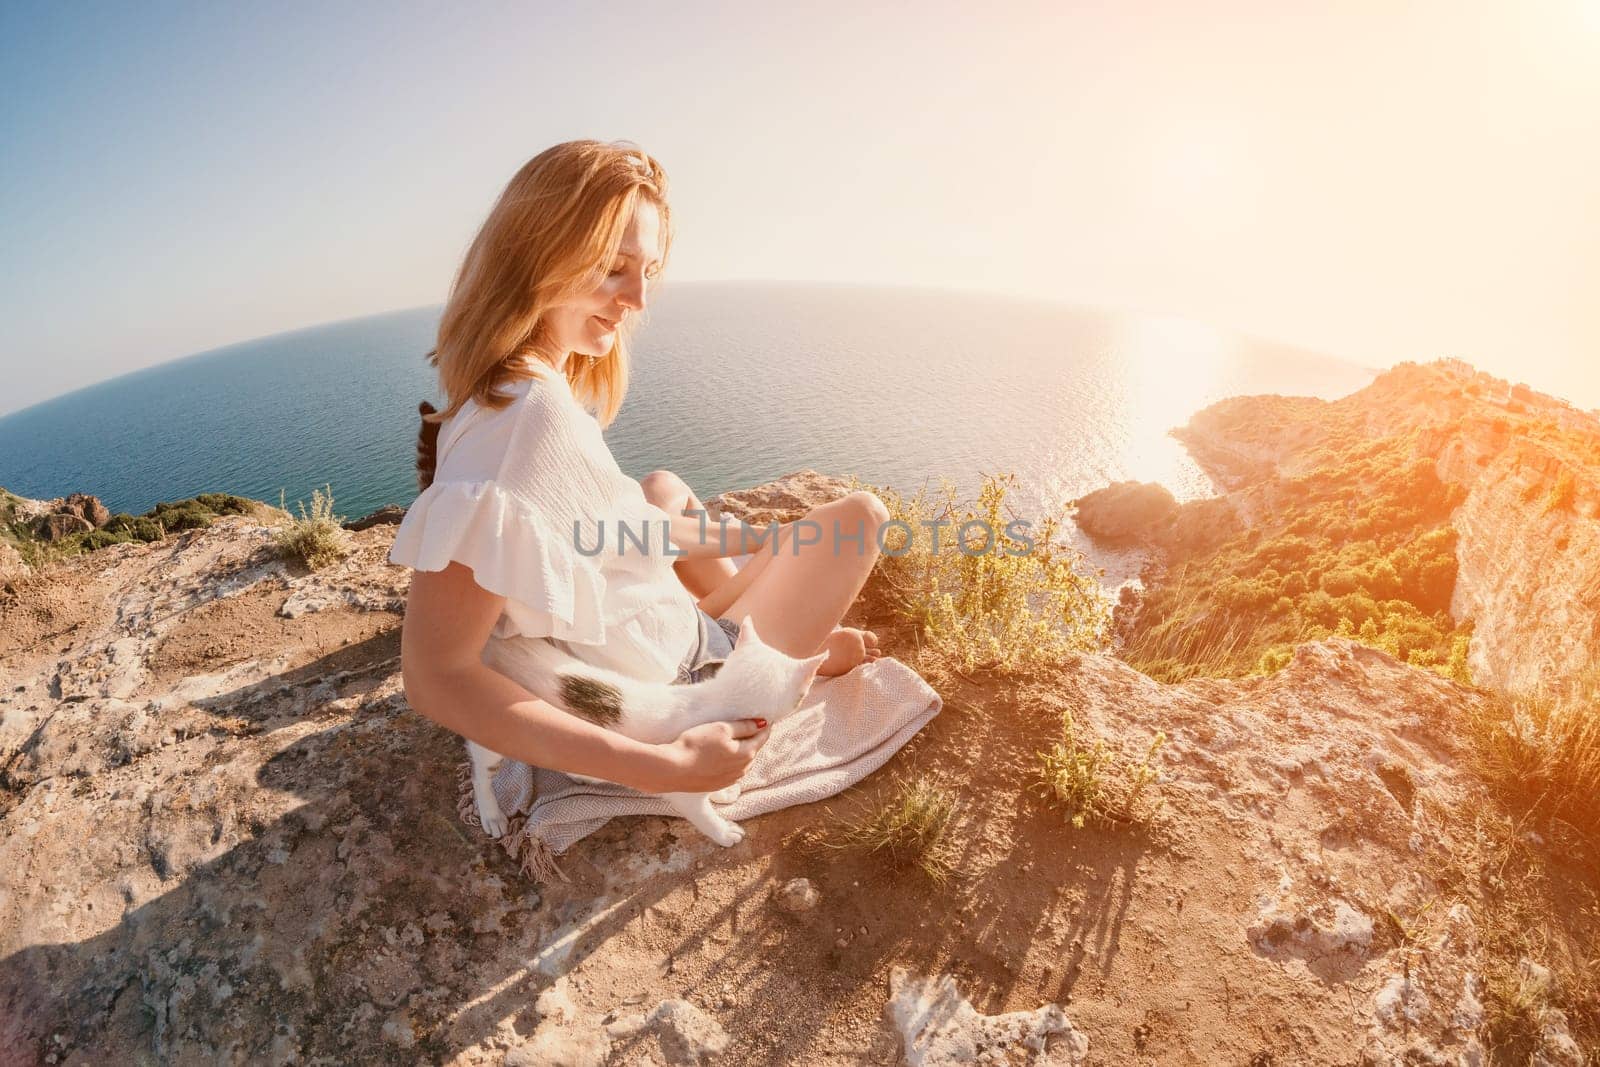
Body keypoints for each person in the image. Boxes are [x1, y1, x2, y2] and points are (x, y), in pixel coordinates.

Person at [392, 139, 888, 797]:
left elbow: (615, 535)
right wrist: (668, 768)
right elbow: (436, 675)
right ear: (537, 252)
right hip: (693, 695)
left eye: (648, 270)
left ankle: (773, 628)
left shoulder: (498, 399)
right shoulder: (529, 420)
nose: (639, 299)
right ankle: (789, 662)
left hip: (668, 633)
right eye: (614, 267)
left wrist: (758, 542)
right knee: (858, 520)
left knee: (660, 489)